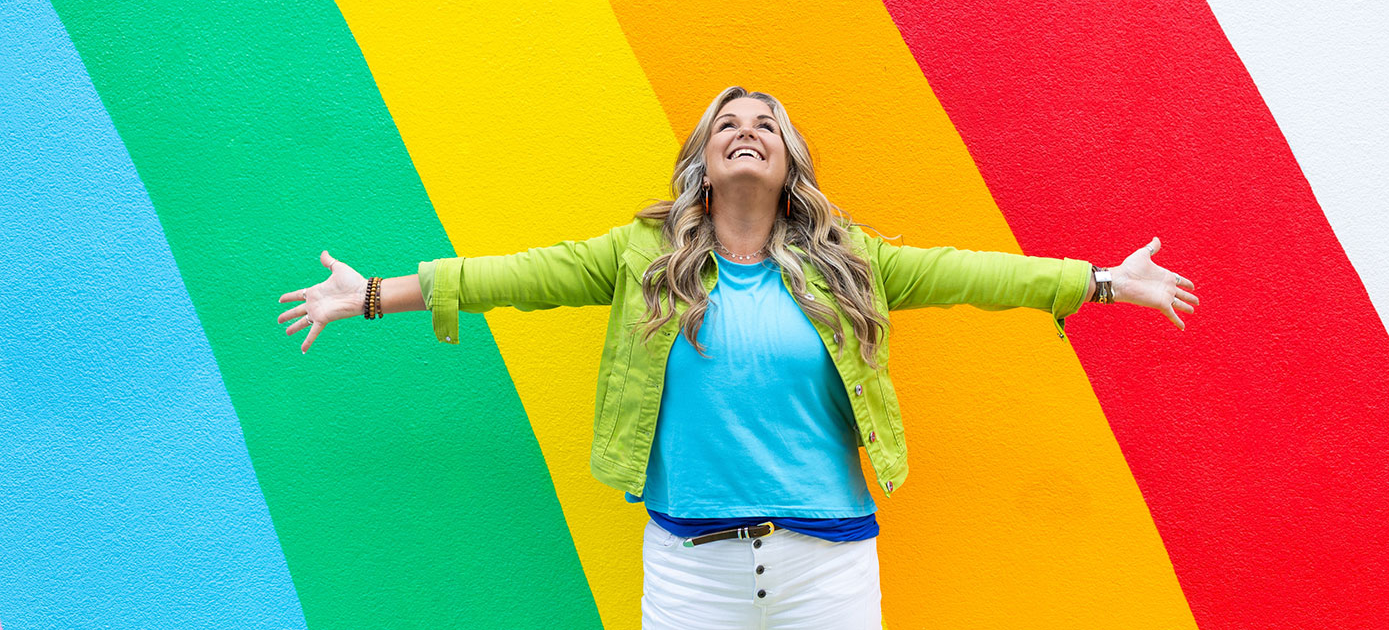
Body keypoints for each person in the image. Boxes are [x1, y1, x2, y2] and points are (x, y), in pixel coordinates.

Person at [276, 86, 1198, 629]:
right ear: (703, 166)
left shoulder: (852, 264)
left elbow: (976, 273)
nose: (745, 129)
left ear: (789, 162)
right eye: (726, 125)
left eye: (765, 123)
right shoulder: (640, 258)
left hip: (829, 566)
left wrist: (1102, 282)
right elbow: (513, 277)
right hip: (690, 567)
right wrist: (371, 294)